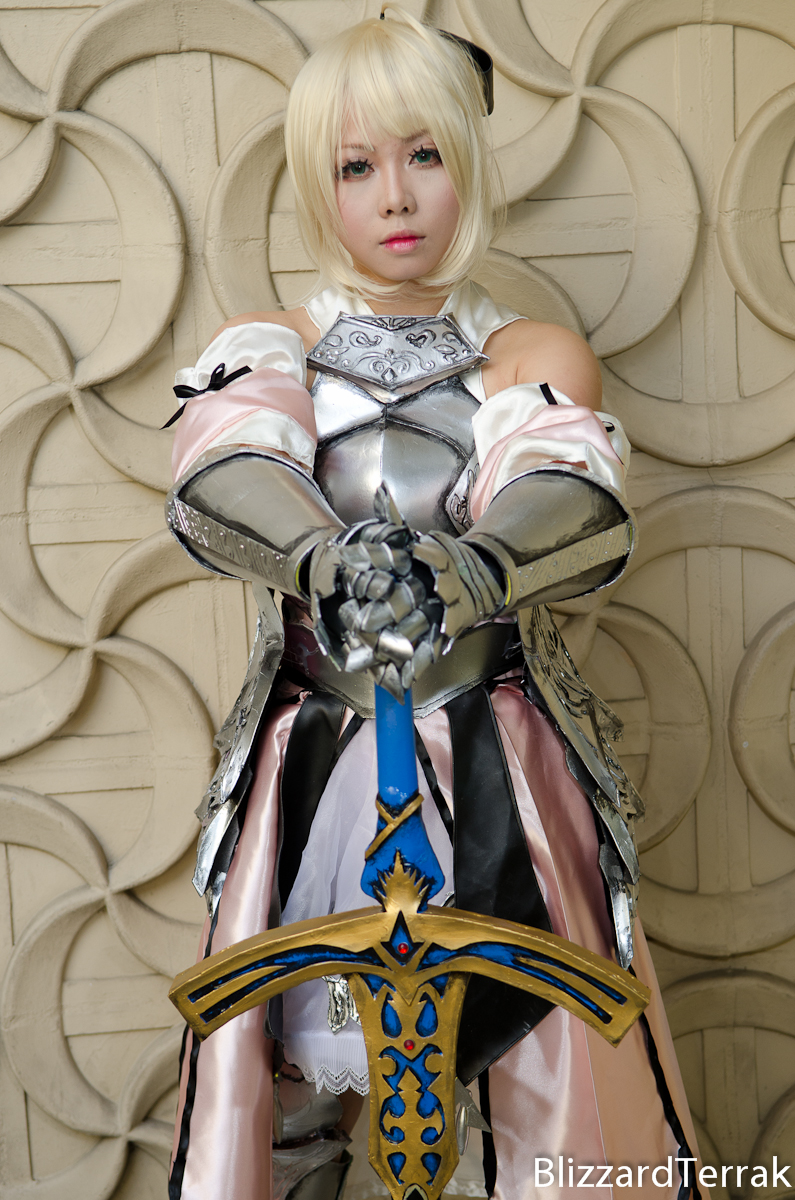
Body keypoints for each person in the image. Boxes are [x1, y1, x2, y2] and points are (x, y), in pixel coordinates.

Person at [165, 8, 706, 1199]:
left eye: (424, 155)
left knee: (547, 1086)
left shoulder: (527, 350)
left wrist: (476, 569)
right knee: (286, 1103)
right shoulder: (270, 345)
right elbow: (223, 467)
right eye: (356, 167)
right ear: (318, 184)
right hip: (313, 758)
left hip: (501, 752)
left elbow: (565, 482)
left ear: (467, 157)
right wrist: (324, 561)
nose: (397, 197)